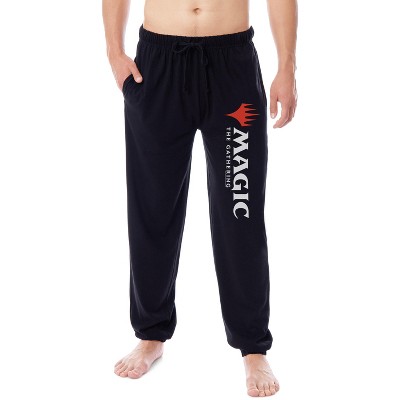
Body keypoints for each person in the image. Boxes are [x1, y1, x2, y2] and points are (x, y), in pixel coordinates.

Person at [102, 0, 297, 396]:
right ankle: (151, 334)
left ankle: (253, 346)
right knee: (152, 207)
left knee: (240, 211)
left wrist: (286, 67)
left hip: (232, 66)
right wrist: (114, 52)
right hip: (157, 66)